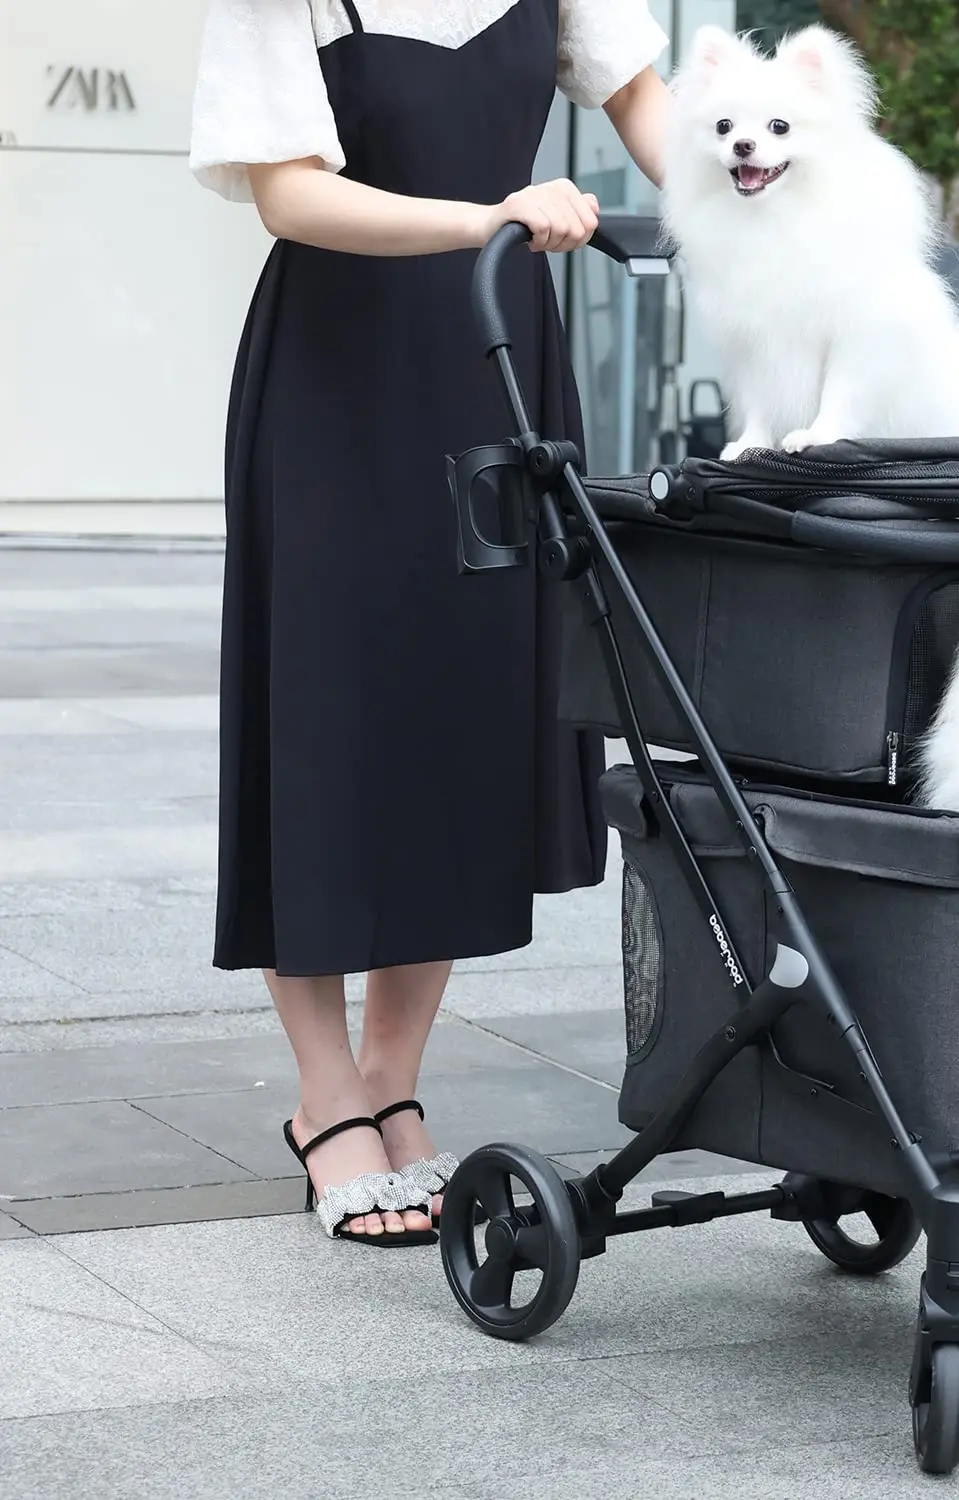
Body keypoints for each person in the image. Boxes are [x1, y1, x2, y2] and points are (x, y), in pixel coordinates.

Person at [189, 0, 670, 1245]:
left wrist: (774, 206)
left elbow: (648, 101)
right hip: (337, 376)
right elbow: (289, 196)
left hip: (492, 363)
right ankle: (323, 1095)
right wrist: (490, 218)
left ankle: (392, 1082)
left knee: (459, 711)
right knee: (323, 716)